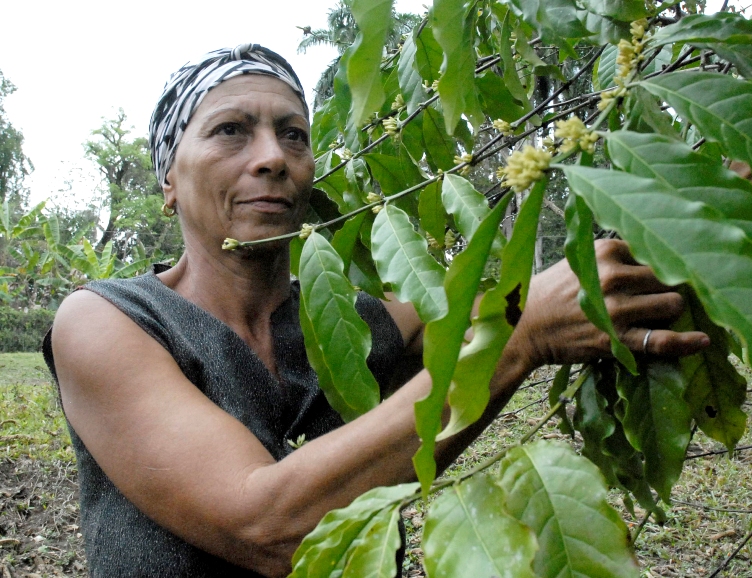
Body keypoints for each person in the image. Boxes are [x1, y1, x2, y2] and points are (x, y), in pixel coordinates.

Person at [43, 44, 710, 578]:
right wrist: (521, 335)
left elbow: (532, 299)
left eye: (293, 135)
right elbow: (267, 527)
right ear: (168, 178)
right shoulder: (104, 322)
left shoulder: (357, 323)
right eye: (230, 132)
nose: (272, 158)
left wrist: (699, 220)